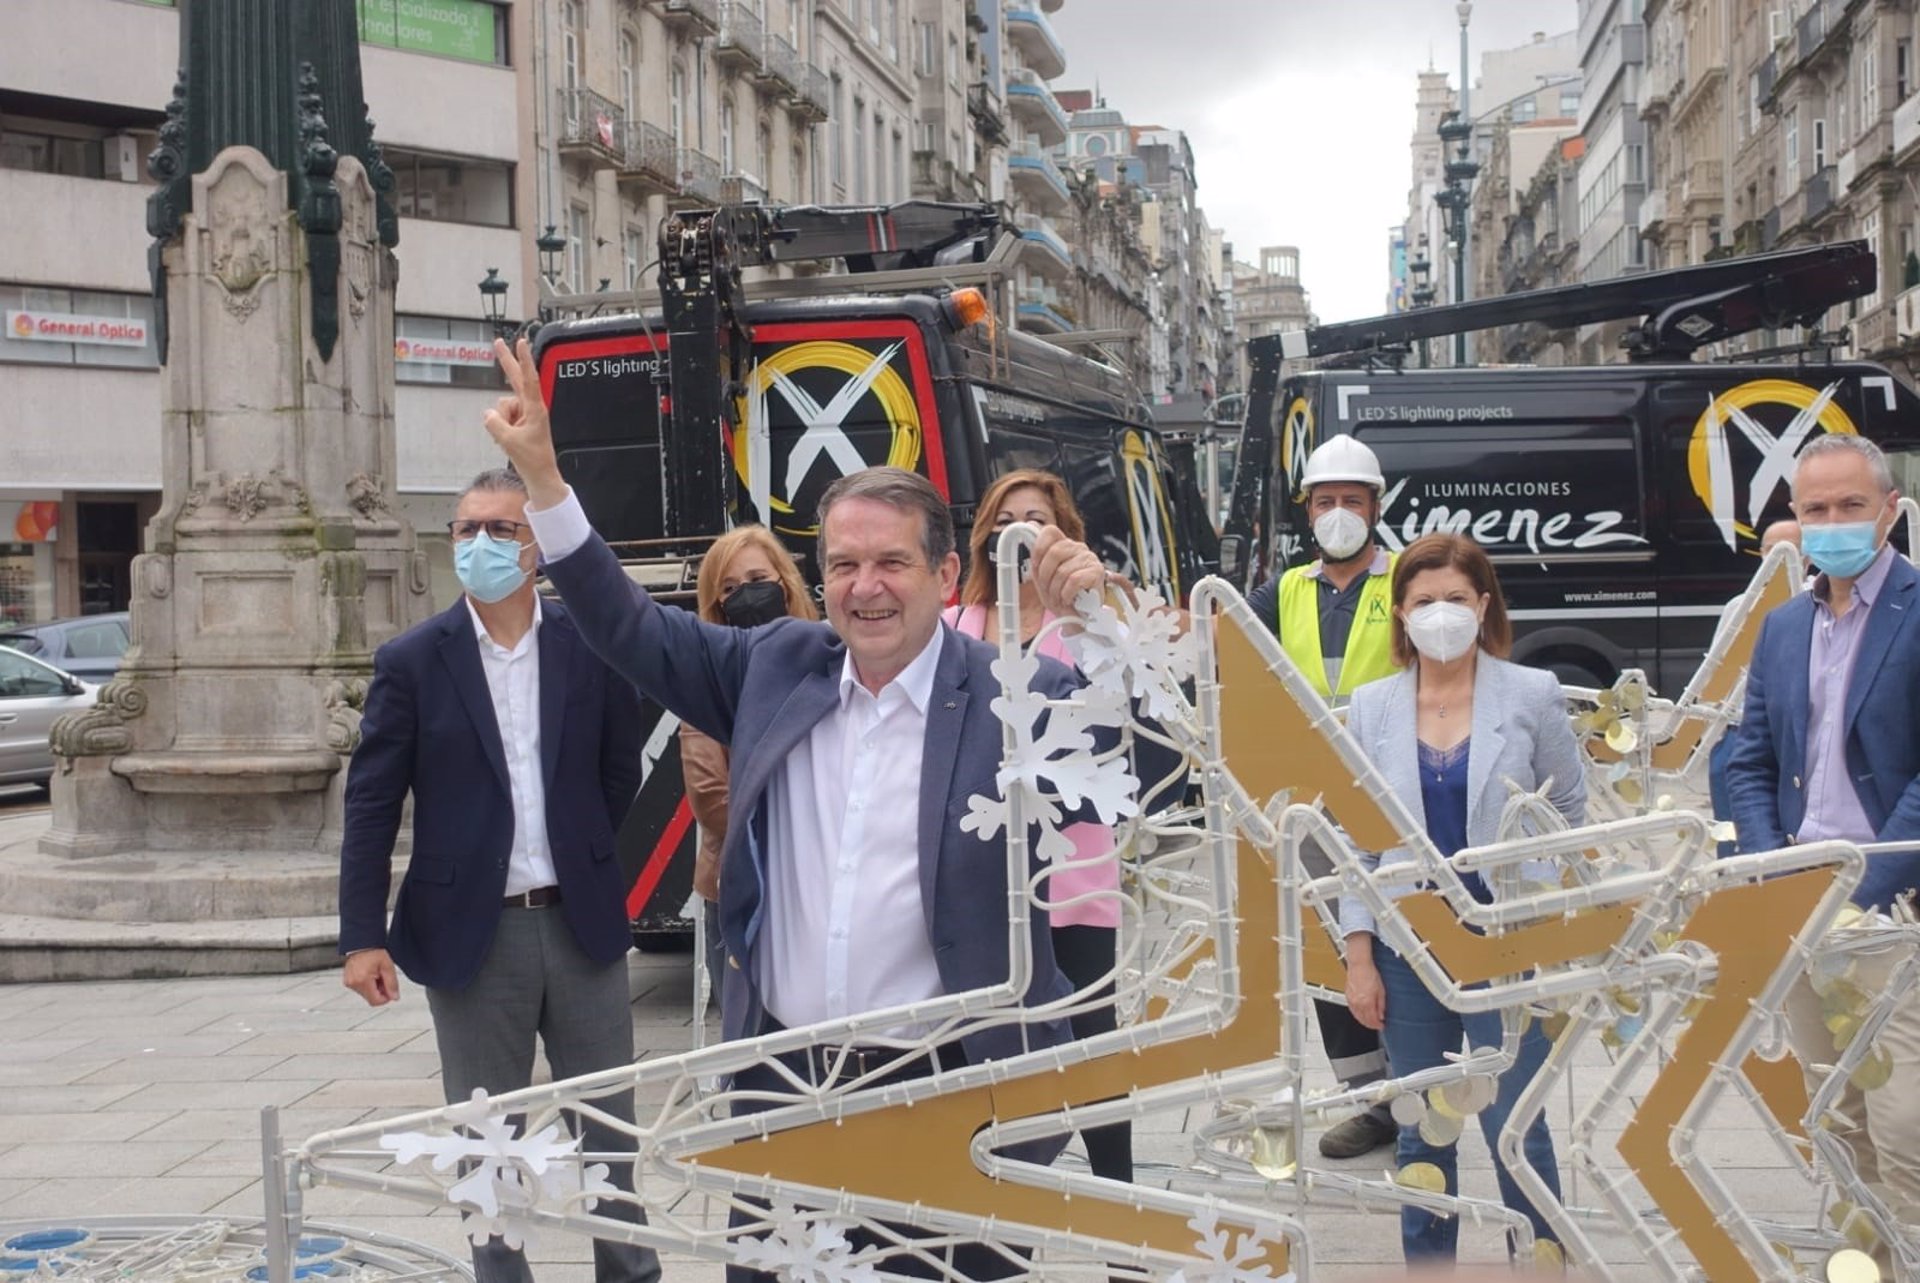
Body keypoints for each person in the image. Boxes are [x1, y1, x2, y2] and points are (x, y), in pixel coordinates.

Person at [480, 337, 1158, 1280]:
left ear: (945, 576)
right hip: (786, 1094)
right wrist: (546, 483)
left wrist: (1101, 620)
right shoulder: (775, 665)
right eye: (843, 564)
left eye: (890, 563)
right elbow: (630, 627)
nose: (864, 587)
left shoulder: (1014, 691)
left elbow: (1156, 756)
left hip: (952, 1098)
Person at [337, 467, 662, 1283]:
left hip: (580, 924)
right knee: (487, 1141)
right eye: (465, 528)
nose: (478, 543)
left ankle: (630, 1273)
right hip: (472, 938)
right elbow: (371, 804)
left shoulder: (589, 645)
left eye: (500, 528)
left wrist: (581, 851)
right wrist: (361, 937)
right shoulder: (413, 660)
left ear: (536, 548)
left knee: (611, 1133)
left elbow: (618, 772)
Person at [1339, 533, 1575, 1267]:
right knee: (1421, 1128)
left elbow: (1569, 809)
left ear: (1483, 604)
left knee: (1515, 1127)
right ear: (1400, 613)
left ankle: (1539, 1265)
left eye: (1455, 598)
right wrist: (1358, 957)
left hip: (1505, 945)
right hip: (1409, 950)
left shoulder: (1531, 693)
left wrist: (1536, 896)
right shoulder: (1371, 706)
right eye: (1423, 600)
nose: (1440, 612)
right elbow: (1356, 845)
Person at [1726, 433, 1920, 1227]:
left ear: (1890, 510)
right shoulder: (1782, 627)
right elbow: (1749, 759)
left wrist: (1863, 889)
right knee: (1836, 1120)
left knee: (1905, 1128)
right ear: (1795, 518)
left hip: (1894, 908)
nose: (1833, 522)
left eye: (1851, 505)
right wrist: (1772, 871)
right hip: (1802, 905)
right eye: (1817, 509)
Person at [947, 467, 1132, 1186]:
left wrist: (1097, 615)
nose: (1019, 535)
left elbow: (1119, 721)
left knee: (1091, 1039)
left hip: (1073, 872)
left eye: (1036, 520)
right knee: (988, 1037)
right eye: (1004, 520)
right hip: (979, 873)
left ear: (1064, 537)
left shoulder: (1085, 626)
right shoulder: (953, 626)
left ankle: (1118, 1196)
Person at [1246, 434, 1402, 1159]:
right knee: (1329, 951)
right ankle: (1371, 1104)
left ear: (1376, 507)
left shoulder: (1407, 581)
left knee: (1402, 942)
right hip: (1311, 805)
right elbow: (1216, 636)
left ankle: (1424, 1091)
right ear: (1307, 511)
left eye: (1352, 500)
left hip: (1392, 795)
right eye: (1325, 501)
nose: (1338, 513)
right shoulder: (1285, 591)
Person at [680, 525, 820, 1004]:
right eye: (729, 588)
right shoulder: (708, 680)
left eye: (758, 579)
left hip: (824, 888)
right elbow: (710, 798)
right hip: (740, 886)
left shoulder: (829, 655)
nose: (747, 595)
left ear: (785, 581)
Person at [1707, 519, 1803, 852]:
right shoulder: (1739, 607)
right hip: (1740, 730)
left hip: (1794, 735)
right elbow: (1716, 677)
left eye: (1791, 549)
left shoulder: (1818, 602)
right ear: (1760, 554)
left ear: (1807, 556)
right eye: (1771, 550)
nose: (1780, 557)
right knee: (1733, 835)